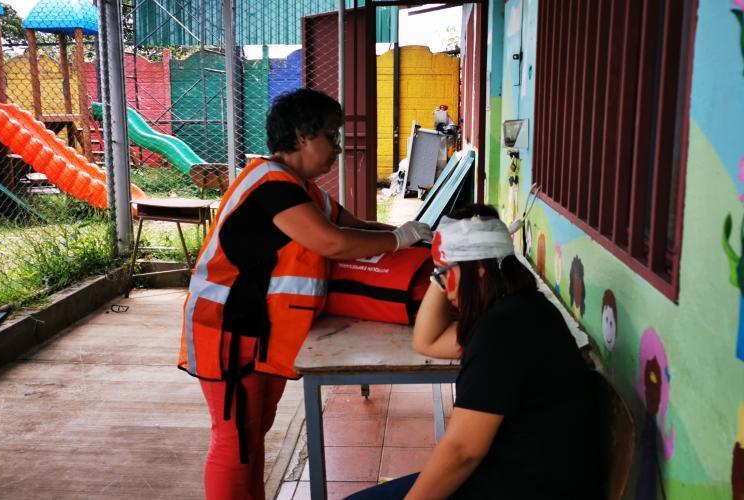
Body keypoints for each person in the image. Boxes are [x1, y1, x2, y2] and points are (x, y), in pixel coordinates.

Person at [178, 88, 432, 500]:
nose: (338, 150)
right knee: (235, 442)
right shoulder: (272, 185)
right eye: (331, 137)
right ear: (300, 136)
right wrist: (399, 241)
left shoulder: (300, 187)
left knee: (252, 433)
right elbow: (332, 242)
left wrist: (415, 236)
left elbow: (353, 224)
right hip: (228, 328)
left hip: (259, 330)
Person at [347, 204, 597, 500]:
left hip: (525, 486)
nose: (441, 284)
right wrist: (447, 271)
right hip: (524, 474)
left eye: (443, 274)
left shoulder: (503, 332)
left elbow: (463, 451)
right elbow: (426, 342)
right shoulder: (524, 309)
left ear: (479, 272)